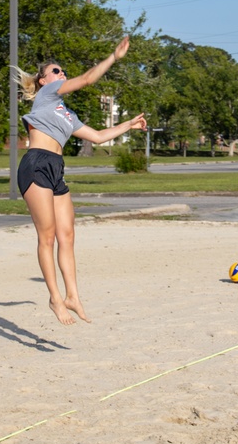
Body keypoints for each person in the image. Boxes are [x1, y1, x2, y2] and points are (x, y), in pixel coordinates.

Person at [13, 36, 147, 325]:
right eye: (56, 71)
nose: (62, 75)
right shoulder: (48, 94)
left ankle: (72, 296)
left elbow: (98, 137)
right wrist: (113, 57)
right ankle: (54, 297)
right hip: (35, 164)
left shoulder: (66, 113)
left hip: (56, 167)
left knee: (67, 235)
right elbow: (87, 79)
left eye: (62, 72)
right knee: (46, 237)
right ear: (42, 80)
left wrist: (129, 125)